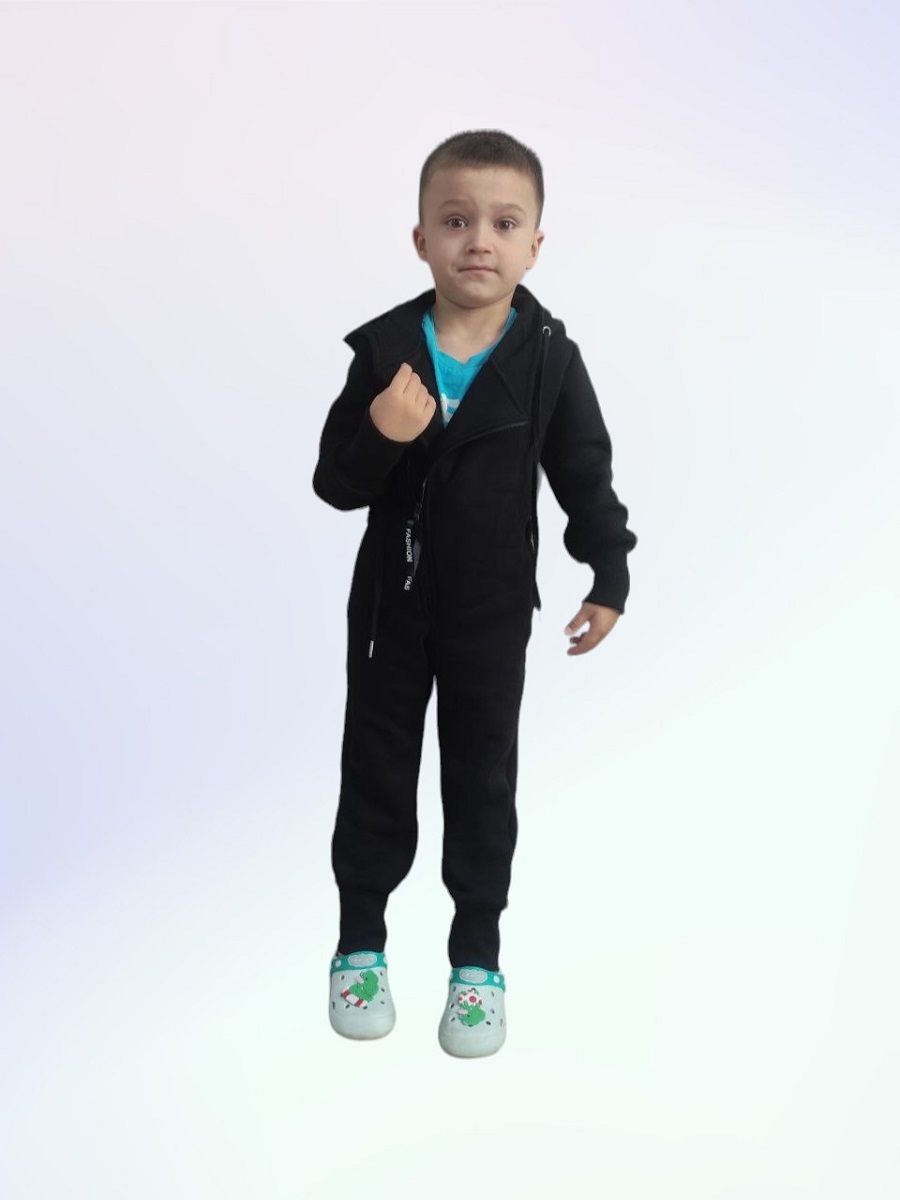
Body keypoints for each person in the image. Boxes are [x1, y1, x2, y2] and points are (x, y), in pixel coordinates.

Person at [313, 130, 637, 1057]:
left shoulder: (548, 358)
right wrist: (382, 432)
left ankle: (477, 962)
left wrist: (607, 570)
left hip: (491, 615)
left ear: (536, 243)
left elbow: (584, 471)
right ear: (421, 238)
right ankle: (360, 944)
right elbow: (336, 484)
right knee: (376, 767)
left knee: (482, 778)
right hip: (391, 608)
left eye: (503, 223)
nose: (478, 242)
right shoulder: (386, 353)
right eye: (456, 222)